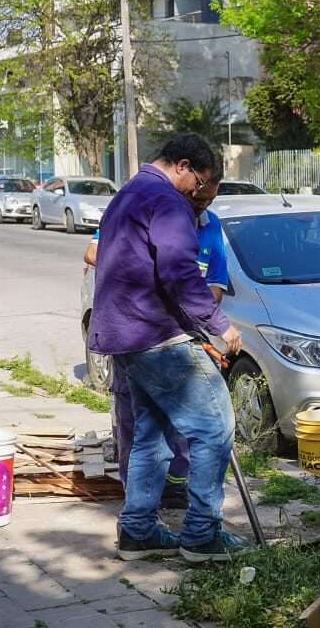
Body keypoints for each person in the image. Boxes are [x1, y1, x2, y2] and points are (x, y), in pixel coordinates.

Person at [88, 133, 242, 563]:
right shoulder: (167, 201)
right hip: (157, 336)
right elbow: (179, 270)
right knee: (214, 429)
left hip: (124, 334)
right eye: (199, 185)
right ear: (184, 165)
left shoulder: (129, 194)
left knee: (152, 436)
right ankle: (201, 536)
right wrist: (219, 326)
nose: (197, 197)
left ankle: (138, 531)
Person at [84, 176, 229, 509]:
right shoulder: (152, 206)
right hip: (142, 338)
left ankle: (152, 510)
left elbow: (214, 288)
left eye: (208, 201)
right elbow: (95, 252)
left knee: (161, 430)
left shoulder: (210, 226)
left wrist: (200, 318)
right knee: (203, 427)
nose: (201, 206)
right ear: (186, 176)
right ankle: (192, 528)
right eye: (198, 197)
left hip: (177, 337)